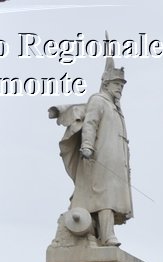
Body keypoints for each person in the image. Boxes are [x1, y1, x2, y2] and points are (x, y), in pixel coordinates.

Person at [65, 59, 131, 246]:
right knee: (104, 195)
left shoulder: (116, 108)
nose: (120, 89)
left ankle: (102, 233)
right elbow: (90, 124)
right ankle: (108, 235)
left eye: (121, 86)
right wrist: (87, 145)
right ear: (106, 84)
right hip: (99, 156)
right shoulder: (98, 100)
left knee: (111, 194)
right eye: (117, 84)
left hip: (116, 159)